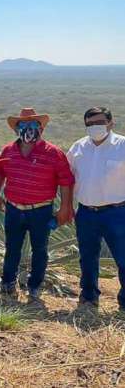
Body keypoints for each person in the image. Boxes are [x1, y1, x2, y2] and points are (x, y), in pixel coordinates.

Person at [0, 108, 74, 298]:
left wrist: (65, 207)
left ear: (41, 128)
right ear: (16, 129)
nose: (29, 129)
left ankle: (34, 286)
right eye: (23, 125)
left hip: (41, 210)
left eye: (34, 125)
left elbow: (66, 181)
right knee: (12, 248)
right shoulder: (8, 150)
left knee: (40, 249)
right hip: (14, 207)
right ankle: (8, 283)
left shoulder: (54, 153)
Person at [67, 106, 125, 312]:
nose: (95, 127)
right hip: (86, 212)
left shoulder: (122, 146)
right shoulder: (78, 148)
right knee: (87, 257)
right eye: (90, 124)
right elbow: (67, 178)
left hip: (117, 212)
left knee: (123, 257)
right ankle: (89, 296)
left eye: (99, 122)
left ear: (110, 123)